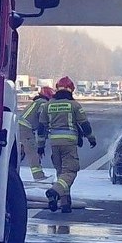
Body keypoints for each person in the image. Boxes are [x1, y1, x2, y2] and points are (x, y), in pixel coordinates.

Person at [37, 76, 96, 213]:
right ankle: (54, 192)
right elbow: (84, 124)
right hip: (69, 143)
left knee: (61, 174)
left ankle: (64, 204)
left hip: (54, 143)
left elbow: (41, 128)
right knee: (70, 172)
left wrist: (40, 146)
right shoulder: (74, 105)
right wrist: (91, 138)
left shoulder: (48, 105)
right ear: (71, 90)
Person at [17, 86, 54, 182]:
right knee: (32, 152)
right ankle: (39, 177)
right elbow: (42, 119)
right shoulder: (43, 103)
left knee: (20, 152)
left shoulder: (37, 102)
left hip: (20, 127)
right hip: (26, 129)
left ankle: (11, 172)